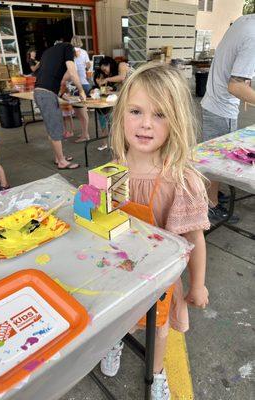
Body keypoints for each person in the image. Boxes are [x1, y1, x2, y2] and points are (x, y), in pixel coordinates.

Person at [101, 63, 210, 400]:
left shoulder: (182, 180)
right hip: (119, 270)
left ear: (175, 122)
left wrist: (199, 284)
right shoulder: (113, 170)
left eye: (160, 115)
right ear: (121, 116)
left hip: (162, 277)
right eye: (136, 111)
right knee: (114, 318)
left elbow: (194, 238)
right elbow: (102, 221)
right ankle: (113, 341)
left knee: (159, 327)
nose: (146, 123)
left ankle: (157, 372)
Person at [201, 14, 255, 222]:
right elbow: (236, 86)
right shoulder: (253, 36)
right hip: (221, 107)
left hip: (216, 102)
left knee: (217, 158)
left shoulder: (245, 21)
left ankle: (212, 194)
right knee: (215, 162)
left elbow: (240, 73)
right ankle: (209, 205)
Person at [34, 41, 86, 170]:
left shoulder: (48, 52)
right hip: (46, 95)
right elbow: (72, 72)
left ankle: (59, 157)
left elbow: (46, 74)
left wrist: (62, 95)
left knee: (53, 128)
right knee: (55, 129)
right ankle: (62, 162)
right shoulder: (67, 48)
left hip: (42, 92)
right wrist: (81, 90)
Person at [70, 36, 91, 143]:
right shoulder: (84, 52)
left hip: (77, 85)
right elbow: (88, 65)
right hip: (85, 83)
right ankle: (84, 132)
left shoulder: (70, 52)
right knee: (83, 112)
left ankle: (85, 134)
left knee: (80, 113)